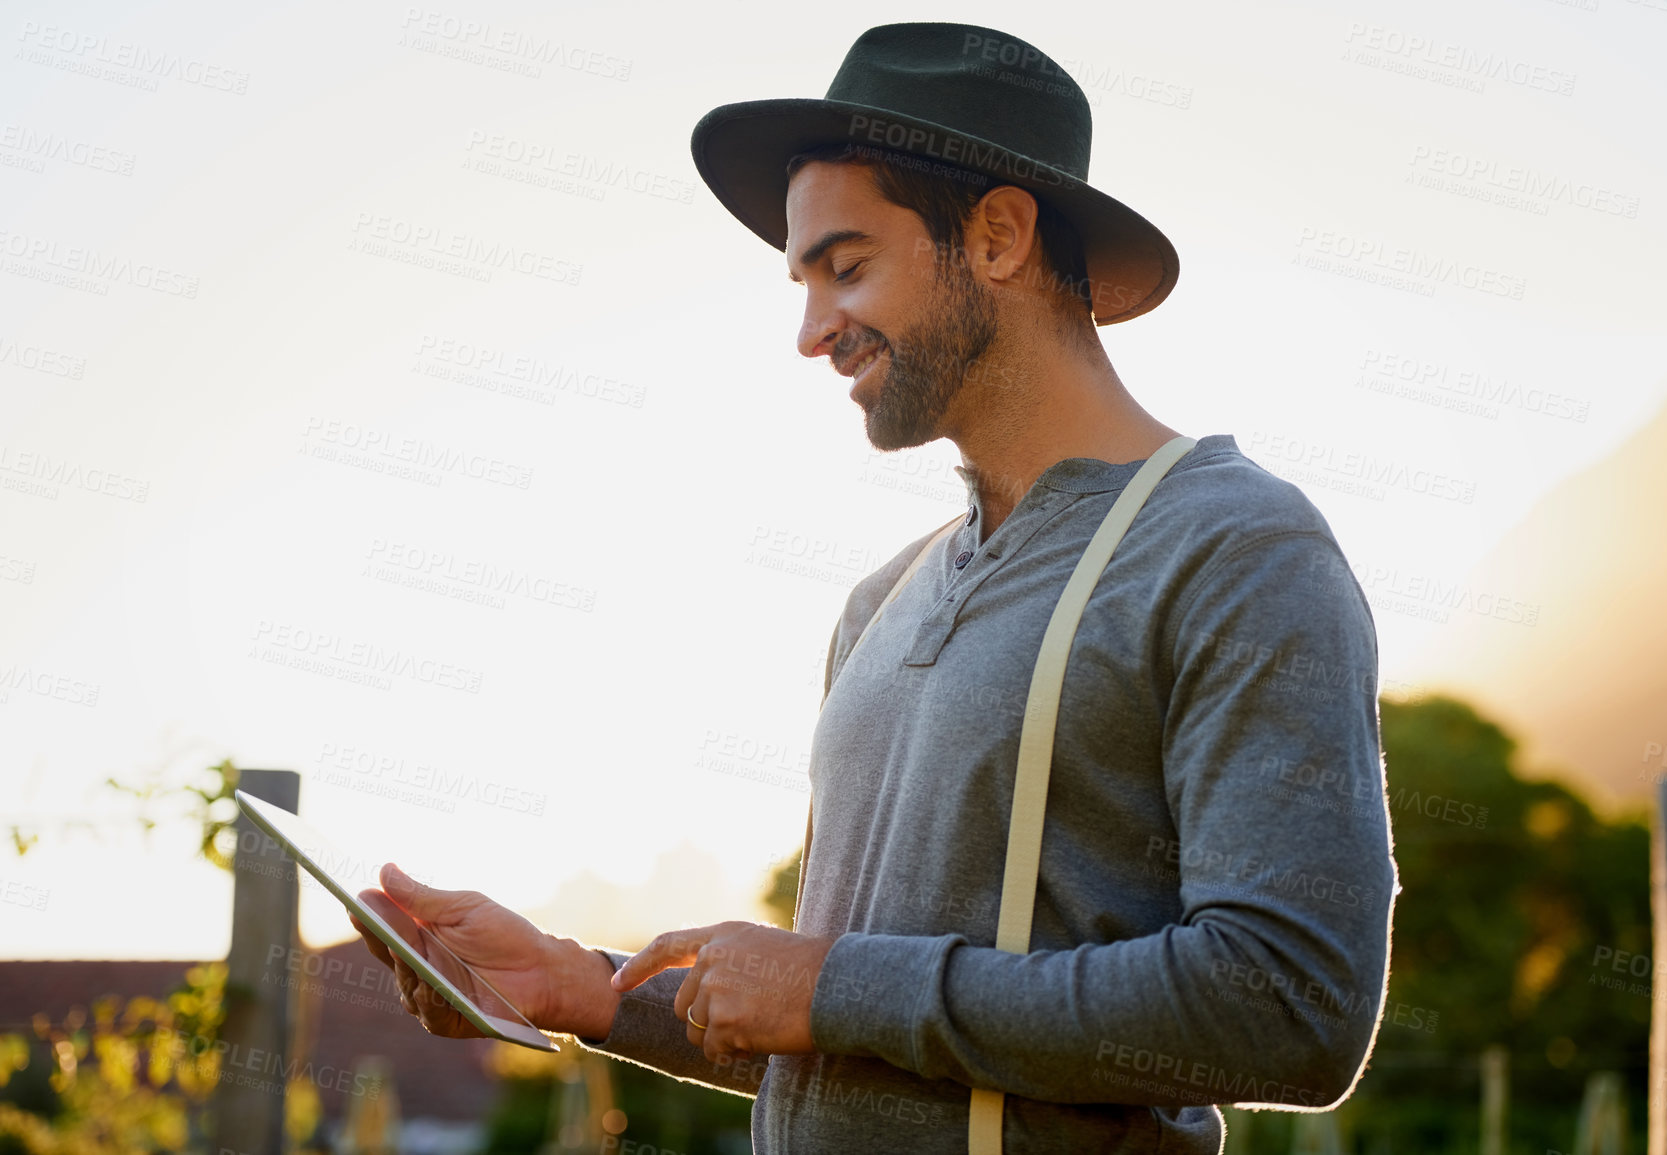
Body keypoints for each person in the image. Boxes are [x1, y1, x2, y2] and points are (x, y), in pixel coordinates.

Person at [352, 22, 1398, 1153]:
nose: (811, 333)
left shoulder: (1236, 548)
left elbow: (1294, 1006)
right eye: (803, 283)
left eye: (845, 267)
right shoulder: (878, 603)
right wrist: (591, 990)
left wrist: (836, 985)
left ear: (997, 236)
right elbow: (852, 1036)